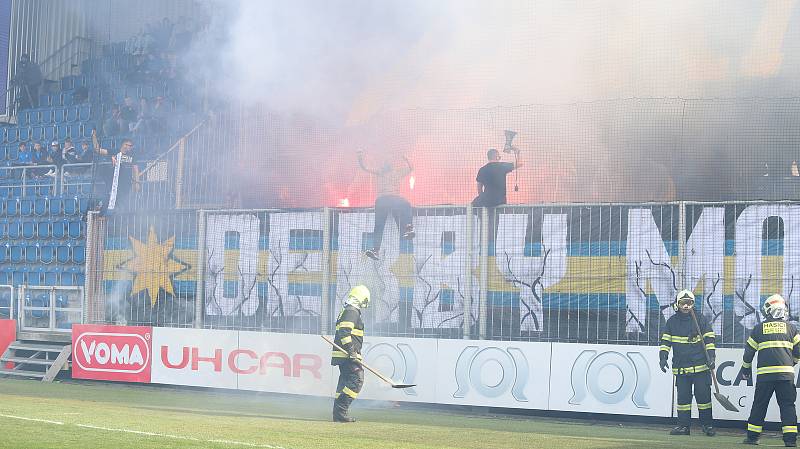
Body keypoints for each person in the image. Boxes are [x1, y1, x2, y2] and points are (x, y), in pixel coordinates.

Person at [740, 294, 800, 446]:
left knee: (759, 405)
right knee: (787, 406)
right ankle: (791, 440)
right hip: (786, 376)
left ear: (768, 309)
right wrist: (791, 363)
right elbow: (798, 351)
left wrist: (745, 369)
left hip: (765, 376)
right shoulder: (792, 328)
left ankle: (753, 438)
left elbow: (749, 353)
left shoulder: (759, 329)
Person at [659, 290, 716, 436]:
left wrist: (712, 357)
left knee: (704, 399)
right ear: (677, 305)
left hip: (700, 369)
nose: (686, 306)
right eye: (683, 303)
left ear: (693, 304)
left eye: (689, 303)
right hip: (681, 369)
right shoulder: (671, 322)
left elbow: (709, 340)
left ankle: (707, 426)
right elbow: (666, 341)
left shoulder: (701, 320)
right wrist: (663, 357)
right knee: (683, 400)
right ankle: (683, 427)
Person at [357, 150, 415, 261]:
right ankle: (376, 250)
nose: (387, 163)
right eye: (385, 161)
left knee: (405, 206)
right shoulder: (381, 172)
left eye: (388, 161)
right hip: (386, 200)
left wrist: (406, 158)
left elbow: (411, 167)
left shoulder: (396, 172)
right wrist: (360, 158)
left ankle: (407, 230)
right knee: (380, 224)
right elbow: (365, 167)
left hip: (389, 199)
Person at [331, 285, 370, 423]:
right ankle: (341, 411)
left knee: (345, 381)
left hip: (345, 354)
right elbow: (344, 331)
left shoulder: (348, 310)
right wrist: (352, 351)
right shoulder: (352, 311)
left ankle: (338, 414)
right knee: (357, 379)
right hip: (348, 355)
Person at [95, 138, 140, 213]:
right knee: (110, 200)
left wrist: (137, 183)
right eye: (128, 145)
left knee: (123, 203)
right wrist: (94, 137)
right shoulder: (115, 152)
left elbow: (135, 169)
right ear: (123, 145)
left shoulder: (132, 155)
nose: (129, 147)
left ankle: (120, 218)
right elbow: (98, 150)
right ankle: (105, 215)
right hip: (113, 183)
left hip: (126, 184)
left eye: (131, 146)